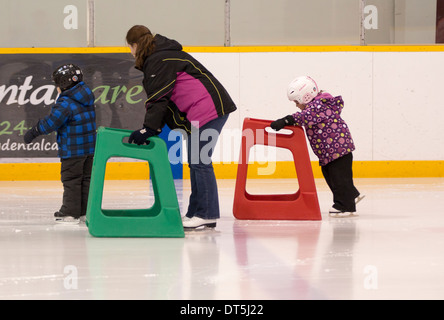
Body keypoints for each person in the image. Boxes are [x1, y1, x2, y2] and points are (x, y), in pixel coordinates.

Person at [125, 25, 237, 229]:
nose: (131, 53)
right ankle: (198, 212)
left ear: (134, 45)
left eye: (129, 48)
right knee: (197, 161)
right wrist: (154, 128)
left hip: (208, 110)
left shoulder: (159, 60)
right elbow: (165, 100)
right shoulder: (163, 56)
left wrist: (148, 128)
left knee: (200, 161)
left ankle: (206, 214)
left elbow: (158, 98)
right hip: (206, 110)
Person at [271, 76, 363, 217]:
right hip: (330, 152)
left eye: (297, 101)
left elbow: (305, 116)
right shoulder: (318, 105)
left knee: (338, 178)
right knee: (331, 176)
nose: (296, 105)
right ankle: (351, 195)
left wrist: (286, 120)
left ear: (306, 97)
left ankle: (344, 205)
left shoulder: (319, 105)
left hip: (338, 151)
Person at [24, 64, 96, 224]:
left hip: (72, 150)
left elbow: (51, 123)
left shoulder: (65, 103)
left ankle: (70, 213)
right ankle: (84, 212)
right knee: (86, 179)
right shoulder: (86, 97)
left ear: (63, 84)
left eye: (56, 85)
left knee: (71, 180)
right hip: (90, 149)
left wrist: (34, 131)